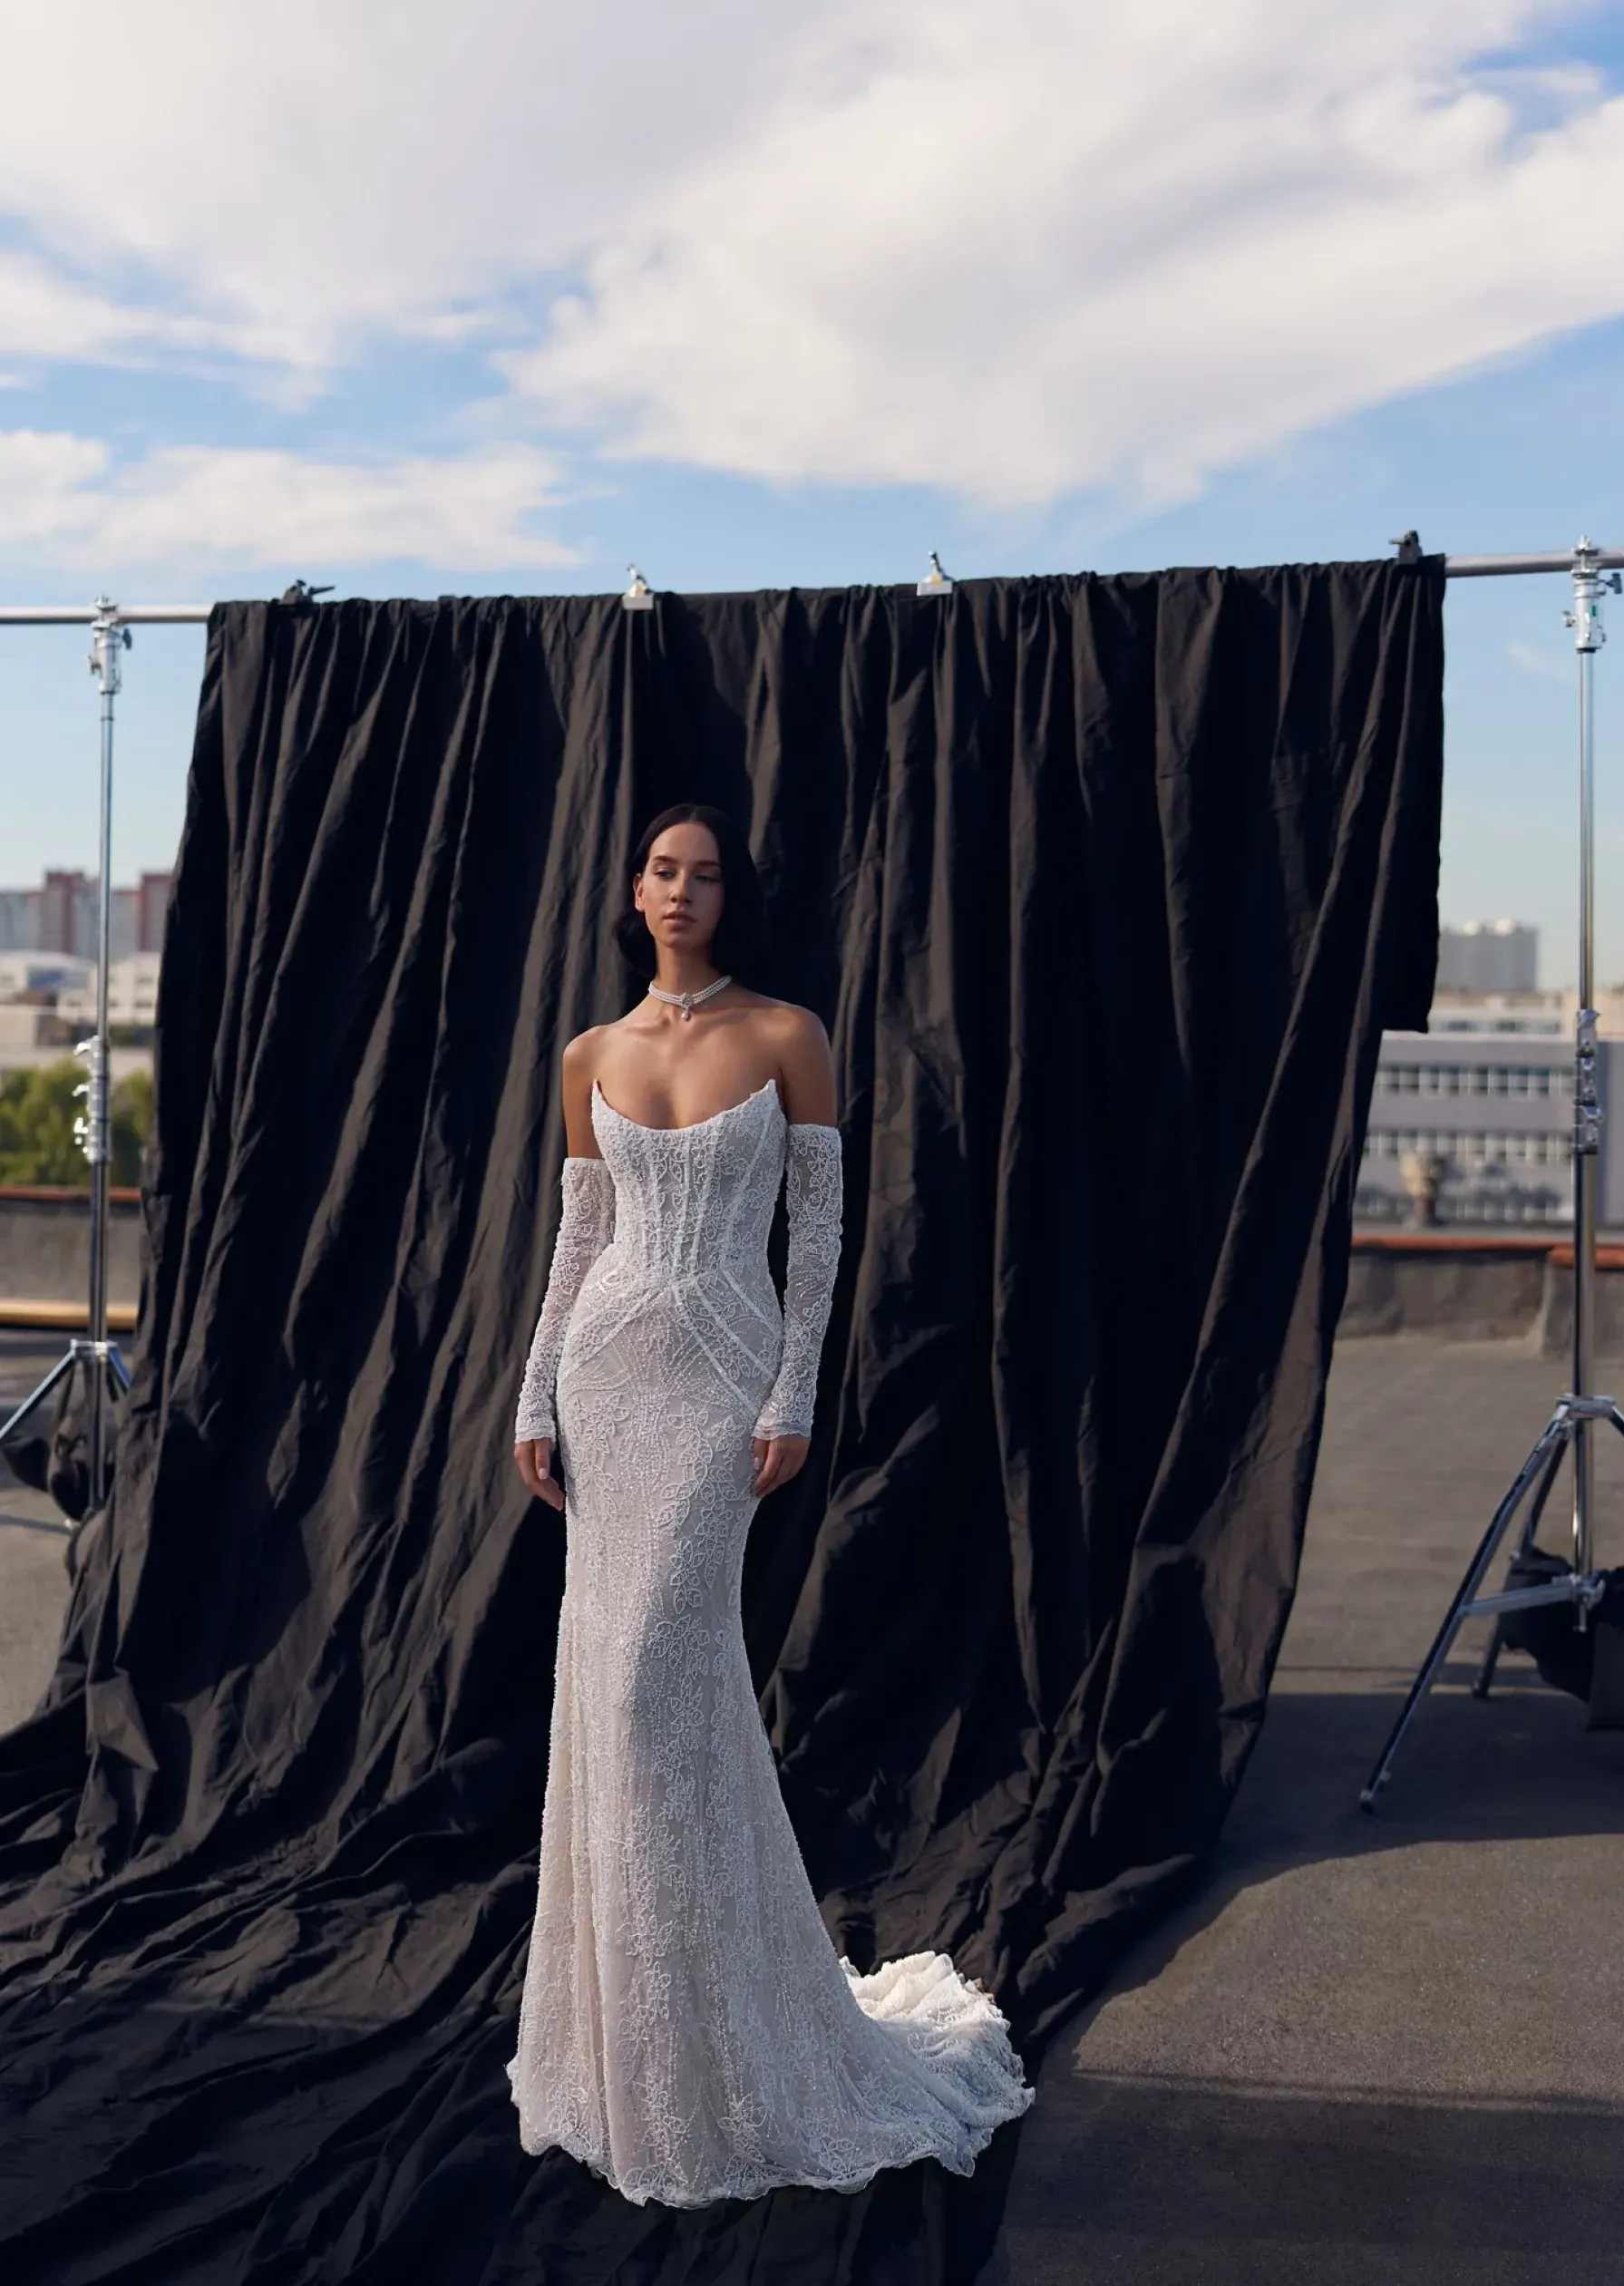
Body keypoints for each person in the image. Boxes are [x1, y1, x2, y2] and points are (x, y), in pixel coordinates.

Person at [505, 802, 1035, 2206]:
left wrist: (796, 1391)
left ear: (731, 894)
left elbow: (825, 1232)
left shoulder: (789, 1033)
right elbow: (580, 1240)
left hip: (722, 1379)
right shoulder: (588, 1056)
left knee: (648, 1686)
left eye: (707, 873)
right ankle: (637, 2048)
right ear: (633, 889)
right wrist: (533, 1393)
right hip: (610, 1380)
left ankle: (733, 2040)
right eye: (664, 870)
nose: (683, 891)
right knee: (626, 1697)